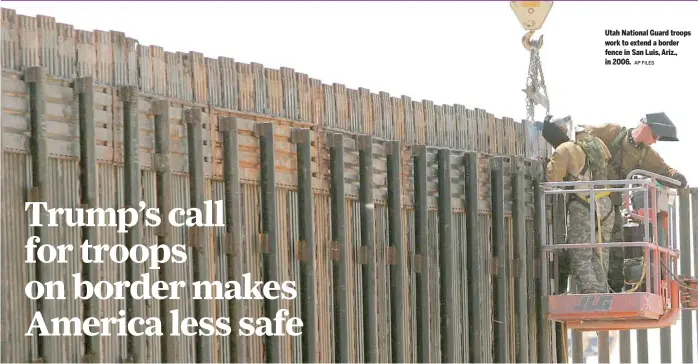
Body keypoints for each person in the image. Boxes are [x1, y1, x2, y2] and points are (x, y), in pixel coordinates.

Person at [577, 112, 687, 292]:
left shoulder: (646, 154)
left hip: (612, 204)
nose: (655, 141)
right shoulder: (612, 132)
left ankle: (613, 289)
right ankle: (584, 289)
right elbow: (582, 134)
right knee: (581, 246)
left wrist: (676, 176)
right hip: (586, 201)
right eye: (655, 136)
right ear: (646, 127)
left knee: (615, 249)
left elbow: (664, 169)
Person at [544, 116, 615, 294]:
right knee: (599, 253)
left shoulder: (564, 149)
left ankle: (591, 293)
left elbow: (553, 180)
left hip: (583, 205)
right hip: (606, 205)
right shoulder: (598, 143)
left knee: (580, 252)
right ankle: (602, 290)